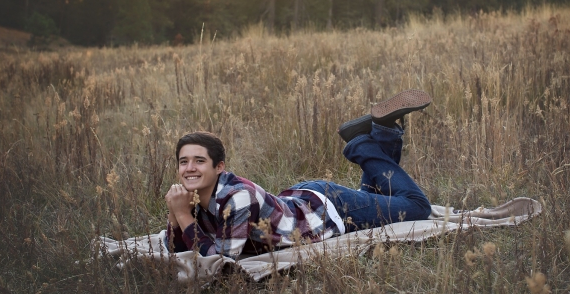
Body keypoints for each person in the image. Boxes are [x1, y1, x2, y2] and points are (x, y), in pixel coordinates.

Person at [164, 89, 433, 259]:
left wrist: (183, 215)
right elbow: (178, 248)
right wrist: (175, 216)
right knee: (376, 197)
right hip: (303, 200)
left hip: (330, 209)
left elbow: (221, 258)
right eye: (183, 161)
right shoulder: (192, 196)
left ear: (219, 166)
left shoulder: (237, 197)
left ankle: (361, 144)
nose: (189, 168)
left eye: (199, 161)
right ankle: (382, 132)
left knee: (417, 206)